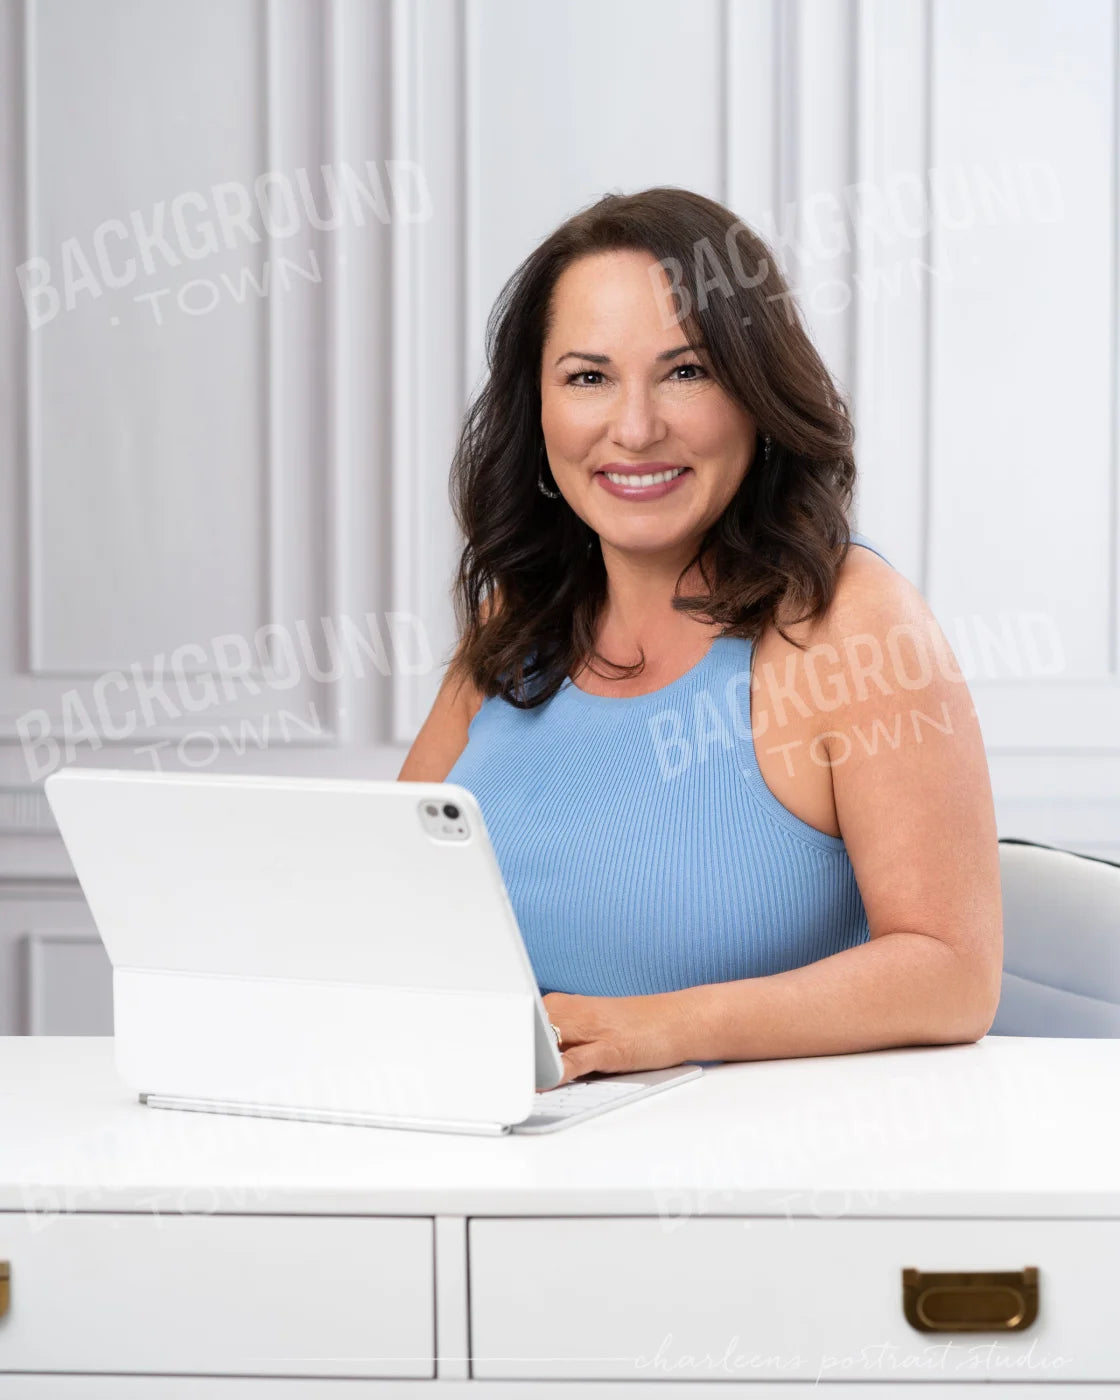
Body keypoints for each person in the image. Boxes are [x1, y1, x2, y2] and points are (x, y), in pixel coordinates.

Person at [399, 186, 1002, 1085]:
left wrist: (666, 1029)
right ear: (540, 411)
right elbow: (386, 895)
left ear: (759, 400)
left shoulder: (852, 625)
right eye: (588, 377)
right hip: (512, 1150)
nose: (634, 429)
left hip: (762, 1181)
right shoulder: (516, 620)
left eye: (688, 371)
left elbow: (952, 975)